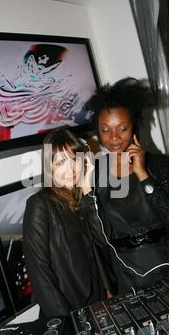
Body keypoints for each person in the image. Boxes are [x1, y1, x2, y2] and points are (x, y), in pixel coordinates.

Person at [83, 77, 169, 293]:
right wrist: (86, 195)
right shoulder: (96, 173)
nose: (114, 138)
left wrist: (142, 174)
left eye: (122, 128)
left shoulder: (158, 164)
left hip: (168, 262)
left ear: (134, 127)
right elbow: (99, 238)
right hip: (126, 272)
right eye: (105, 130)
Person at [22, 128, 112, 318]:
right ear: (49, 168)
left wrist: (87, 191)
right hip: (67, 311)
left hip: (97, 304)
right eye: (60, 162)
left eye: (74, 159)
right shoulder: (39, 205)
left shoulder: (82, 200)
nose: (70, 169)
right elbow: (40, 274)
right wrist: (67, 322)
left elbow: (103, 240)